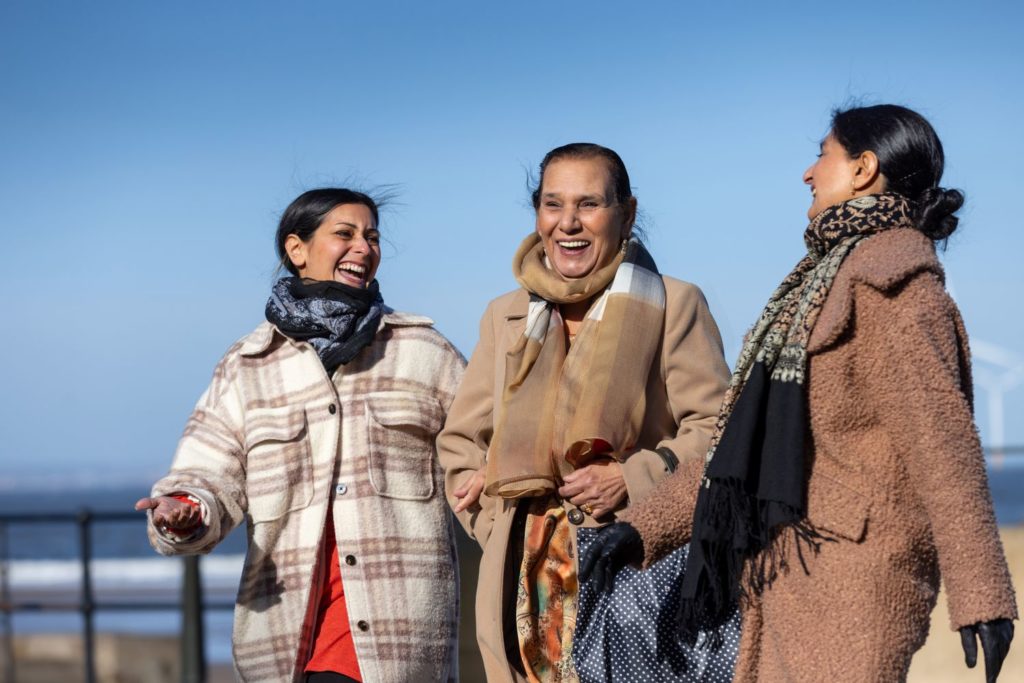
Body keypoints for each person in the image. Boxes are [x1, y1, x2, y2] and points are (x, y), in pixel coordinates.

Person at [582, 104, 1018, 682]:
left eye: (823, 154)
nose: (808, 173)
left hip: (859, 580)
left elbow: (945, 446)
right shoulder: (817, 285)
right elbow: (743, 451)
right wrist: (641, 529)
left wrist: (982, 593)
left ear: (863, 169)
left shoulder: (895, 289)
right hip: (786, 570)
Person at [135, 188, 465, 683]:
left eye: (372, 237)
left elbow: (486, 451)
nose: (364, 247)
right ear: (297, 249)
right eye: (345, 234)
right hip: (284, 644)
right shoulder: (248, 366)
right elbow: (206, 472)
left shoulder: (424, 352)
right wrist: (185, 510)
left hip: (402, 646)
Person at [437, 143, 737, 683]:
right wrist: (498, 524)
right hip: (520, 580)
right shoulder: (503, 315)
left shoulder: (676, 303)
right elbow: (461, 445)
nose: (568, 223)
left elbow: (719, 431)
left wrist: (631, 478)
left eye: (589, 204)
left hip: (631, 566)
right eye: (553, 205)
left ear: (627, 212)